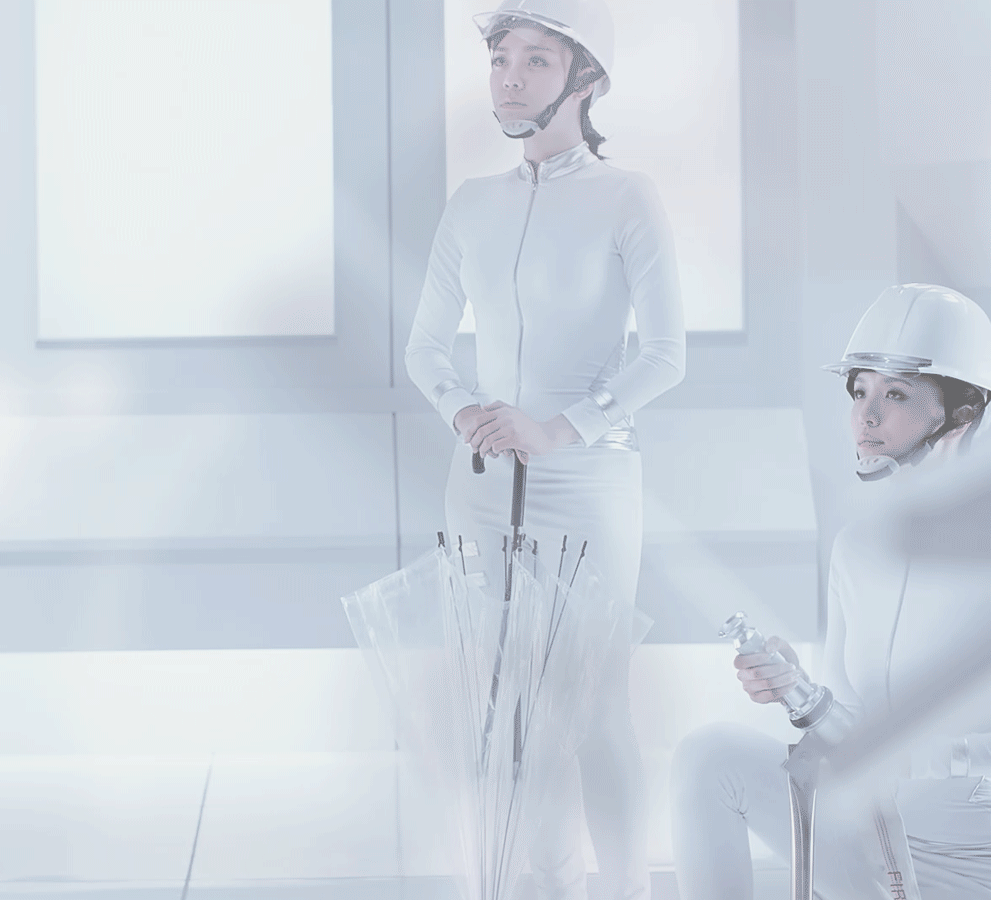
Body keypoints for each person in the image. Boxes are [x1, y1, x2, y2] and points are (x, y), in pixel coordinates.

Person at [405, 1, 686, 897]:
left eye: (536, 59)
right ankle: (545, 882)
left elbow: (665, 356)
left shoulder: (626, 195)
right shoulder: (471, 203)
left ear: (586, 79)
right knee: (505, 708)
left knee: (595, 709)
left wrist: (560, 429)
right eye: (500, 57)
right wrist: (466, 413)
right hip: (482, 481)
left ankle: (628, 887)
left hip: (589, 480)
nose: (510, 77)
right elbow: (424, 349)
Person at [670, 283, 991, 900]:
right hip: (873, 842)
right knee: (709, 757)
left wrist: (932, 755)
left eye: (895, 394)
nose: (865, 417)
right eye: (859, 391)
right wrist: (795, 688)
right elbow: (843, 727)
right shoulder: (857, 550)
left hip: (973, 864)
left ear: (962, 410)